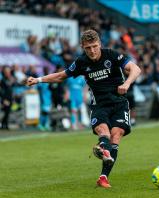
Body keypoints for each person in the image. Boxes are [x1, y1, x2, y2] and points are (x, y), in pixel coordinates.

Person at [26, 29, 141, 188]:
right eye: (88, 48)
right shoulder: (81, 62)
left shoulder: (112, 55)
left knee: (116, 134)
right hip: (99, 105)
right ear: (82, 47)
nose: (92, 51)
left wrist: (126, 83)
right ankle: (103, 148)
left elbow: (136, 69)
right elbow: (61, 76)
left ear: (99, 44)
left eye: (94, 46)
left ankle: (103, 176)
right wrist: (38, 79)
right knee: (103, 132)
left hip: (119, 103)